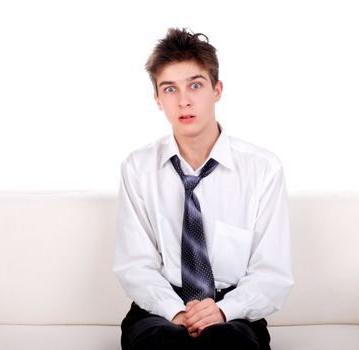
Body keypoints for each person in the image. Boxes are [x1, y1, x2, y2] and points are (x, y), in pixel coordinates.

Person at [113, 27, 294, 350]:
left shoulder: (263, 168)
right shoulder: (137, 168)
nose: (183, 101)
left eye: (195, 85)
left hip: (233, 308)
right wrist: (176, 311)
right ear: (157, 99)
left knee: (226, 342)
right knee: (161, 342)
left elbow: (272, 272)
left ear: (217, 90)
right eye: (170, 89)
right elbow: (136, 264)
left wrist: (224, 310)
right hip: (161, 305)